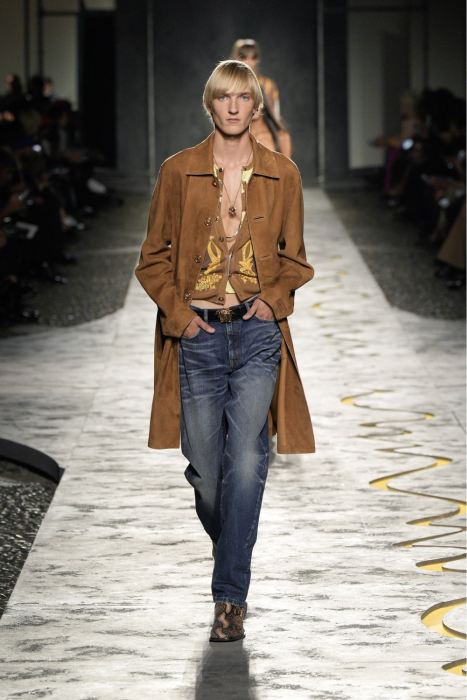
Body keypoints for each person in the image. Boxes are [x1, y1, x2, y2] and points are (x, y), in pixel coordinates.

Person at [135, 60, 315, 642]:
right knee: (209, 474)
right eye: (223, 97)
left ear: (256, 107)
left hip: (258, 334)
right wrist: (182, 318)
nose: (233, 107)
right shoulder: (178, 171)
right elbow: (152, 259)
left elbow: (295, 260)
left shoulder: (282, 174)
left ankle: (229, 599)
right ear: (209, 104)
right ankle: (233, 545)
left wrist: (273, 302)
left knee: (247, 462)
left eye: (243, 98)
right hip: (200, 337)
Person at [231, 39, 292, 158]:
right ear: (236, 57)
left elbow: (274, 111)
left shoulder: (268, 85)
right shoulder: (228, 85)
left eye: (253, 57)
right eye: (244, 57)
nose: (248, 62)